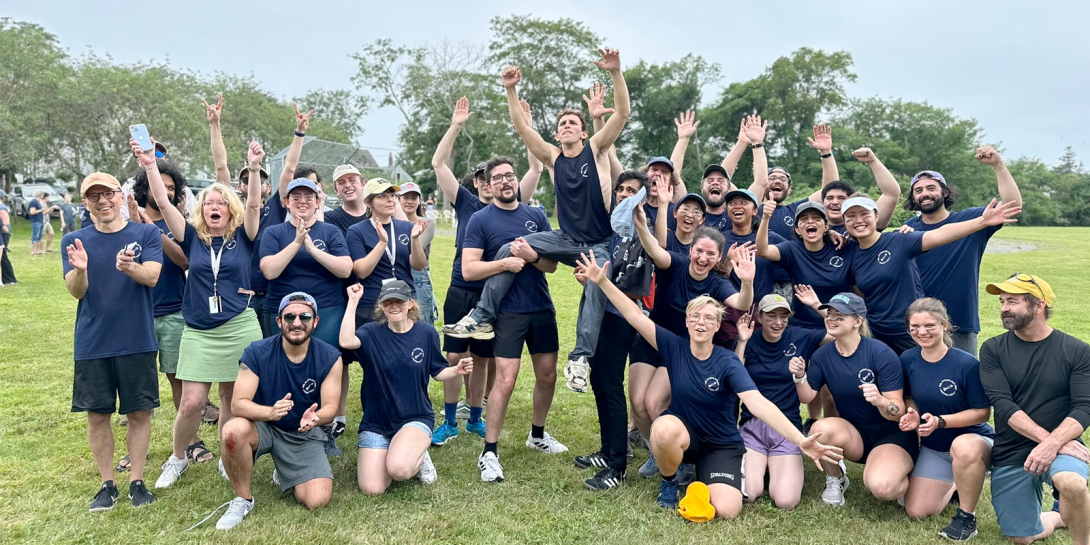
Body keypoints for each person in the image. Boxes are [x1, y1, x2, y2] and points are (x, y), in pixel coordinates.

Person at [580, 251, 841, 517]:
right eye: (695, 317)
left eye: (708, 318)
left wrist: (800, 439)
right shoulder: (672, 345)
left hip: (721, 445)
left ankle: (702, 481)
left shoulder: (727, 361)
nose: (700, 323)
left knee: (728, 510)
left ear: (717, 325)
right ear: (687, 321)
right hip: (687, 438)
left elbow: (757, 403)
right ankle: (669, 482)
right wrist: (603, 282)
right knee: (664, 427)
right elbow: (634, 316)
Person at [445, 48, 631, 394]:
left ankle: (580, 359)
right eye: (562, 124)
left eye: (573, 123)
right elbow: (520, 127)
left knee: (595, 282)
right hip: (564, 239)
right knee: (509, 247)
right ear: (557, 135)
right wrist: (510, 90)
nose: (566, 126)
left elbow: (622, 112)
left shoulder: (597, 148)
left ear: (582, 131)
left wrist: (616, 72)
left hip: (597, 243)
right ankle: (482, 315)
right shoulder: (552, 157)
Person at [139, 137, 265, 489]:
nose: (214, 206)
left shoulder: (245, 236)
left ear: (230, 210)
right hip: (198, 329)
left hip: (239, 325)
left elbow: (254, 204)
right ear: (200, 208)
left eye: (221, 202)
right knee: (192, 401)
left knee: (229, 397)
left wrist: (253, 168)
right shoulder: (192, 237)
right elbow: (163, 204)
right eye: (208, 201)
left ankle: (228, 458)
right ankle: (178, 457)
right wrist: (151, 164)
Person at [431, 96, 541, 443]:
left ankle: (475, 415)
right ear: (478, 181)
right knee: (453, 353)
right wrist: (456, 125)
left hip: (496, 291)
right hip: (462, 287)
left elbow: (536, 168)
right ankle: (449, 420)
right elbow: (439, 165)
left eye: (490, 177)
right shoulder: (464, 201)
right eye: (480, 177)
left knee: (482, 358)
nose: (484, 182)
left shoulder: (515, 201)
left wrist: (527, 127)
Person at [62, 172, 164, 511]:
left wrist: (129, 267)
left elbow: (151, 277)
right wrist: (81, 269)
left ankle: (137, 481)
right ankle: (108, 484)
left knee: (139, 413)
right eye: (94, 196)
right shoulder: (74, 240)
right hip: (93, 342)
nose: (103, 201)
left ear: (122, 196)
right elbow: (77, 291)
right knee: (97, 415)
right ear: (85, 203)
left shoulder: (146, 232)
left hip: (137, 339)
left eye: (109, 193)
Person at [461, 157, 566, 483]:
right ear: (489, 185)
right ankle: (489, 451)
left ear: (516, 180)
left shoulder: (535, 215)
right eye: (498, 178)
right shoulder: (480, 220)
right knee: (505, 381)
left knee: (547, 376)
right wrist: (504, 264)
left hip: (541, 307)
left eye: (510, 175)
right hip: (507, 313)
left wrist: (531, 256)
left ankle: (537, 435)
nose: (505, 181)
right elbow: (469, 269)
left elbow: (550, 265)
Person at [628, 211, 755, 479]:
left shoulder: (717, 283)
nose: (703, 258)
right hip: (652, 339)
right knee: (638, 403)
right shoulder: (674, 263)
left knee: (653, 403)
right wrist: (641, 226)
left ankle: (681, 458)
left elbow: (742, 304)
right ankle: (658, 450)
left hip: (678, 349)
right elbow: (655, 250)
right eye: (699, 251)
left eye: (711, 254)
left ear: (718, 258)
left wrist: (747, 282)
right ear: (691, 249)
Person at [214, 292, 344, 529]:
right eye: (289, 316)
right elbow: (238, 404)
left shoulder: (330, 356)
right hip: (264, 426)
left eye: (305, 316)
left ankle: (285, 472)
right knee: (233, 431)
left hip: (303, 433)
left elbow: (331, 408)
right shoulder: (256, 352)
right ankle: (243, 499)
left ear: (315, 322)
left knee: (317, 500)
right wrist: (270, 413)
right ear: (278, 321)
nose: (297, 322)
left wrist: (316, 418)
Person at [979, 274, 1090, 545]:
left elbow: (1084, 407)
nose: (1004, 307)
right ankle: (1059, 517)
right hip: (1013, 450)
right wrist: (1050, 443)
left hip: (1063, 443)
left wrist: (1053, 444)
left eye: (1012, 301)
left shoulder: (1077, 351)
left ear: (1039, 306)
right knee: (1021, 538)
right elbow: (1003, 405)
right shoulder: (993, 349)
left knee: (1072, 484)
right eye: (1002, 301)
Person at [843, 188, 1019, 354]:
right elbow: (861, 297)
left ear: (876, 216)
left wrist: (982, 221)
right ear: (844, 222)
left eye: (865, 214)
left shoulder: (899, 240)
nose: (858, 220)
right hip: (877, 337)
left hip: (913, 333)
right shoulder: (850, 254)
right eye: (851, 216)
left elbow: (938, 234)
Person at [340, 281, 474, 494]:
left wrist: (456, 370)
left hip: (415, 416)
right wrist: (353, 301)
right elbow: (346, 341)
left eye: (399, 301)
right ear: (381, 306)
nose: (394, 306)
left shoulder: (426, 333)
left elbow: (438, 372)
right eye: (388, 302)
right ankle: (397, 447)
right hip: (376, 421)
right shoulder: (371, 332)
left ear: (410, 303)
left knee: (399, 470)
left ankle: (417, 455)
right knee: (373, 488)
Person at [790, 292, 917, 507]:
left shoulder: (880, 353)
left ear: (858, 321)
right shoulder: (823, 355)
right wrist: (800, 376)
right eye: (829, 314)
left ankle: (908, 478)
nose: (831, 319)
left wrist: (880, 401)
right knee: (819, 430)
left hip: (890, 435)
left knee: (883, 488)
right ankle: (836, 478)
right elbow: (807, 397)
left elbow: (898, 413)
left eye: (840, 316)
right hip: (854, 434)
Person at [572, 170, 656, 490]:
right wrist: (589, 279)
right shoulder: (615, 229)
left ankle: (617, 465)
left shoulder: (639, 229)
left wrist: (601, 283)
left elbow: (633, 285)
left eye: (631, 190)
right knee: (599, 379)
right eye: (620, 189)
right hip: (603, 312)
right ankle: (608, 451)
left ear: (641, 196)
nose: (623, 194)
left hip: (626, 317)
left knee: (610, 382)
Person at [128, 161, 215, 468]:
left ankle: (191, 442)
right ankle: (135, 448)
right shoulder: (127, 221)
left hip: (174, 311)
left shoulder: (178, 222)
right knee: (138, 385)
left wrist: (154, 233)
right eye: (158, 186)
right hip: (137, 315)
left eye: (170, 188)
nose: (164, 191)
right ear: (144, 188)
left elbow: (185, 261)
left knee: (180, 382)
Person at [901, 146, 1023, 356]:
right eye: (918, 191)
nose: (925, 194)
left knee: (963, 378)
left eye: (931, 188)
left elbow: (1012, 204)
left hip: (961, 320)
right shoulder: (908, 228)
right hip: (919, 322)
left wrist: (997, 164)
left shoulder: (971, 221)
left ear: (944, 192)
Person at [896, 298, 994, 541]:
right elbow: (908, 397)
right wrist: (913, 413)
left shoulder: (967, 364)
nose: (922, 332)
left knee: (962, 448)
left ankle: (966, 517)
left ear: (945, 325)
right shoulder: (908, 359)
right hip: (935, 446)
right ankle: (957, 481)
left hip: (972, 441)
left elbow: (982, 412)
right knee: (917, 510)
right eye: (915, 327)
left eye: (930, 325)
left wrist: (941, 421)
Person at [756, 200, 853, 430]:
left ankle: (832, 434)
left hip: (833, 324)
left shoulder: (841, 247)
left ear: (826, 225)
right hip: (801, 326)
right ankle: (810, 420)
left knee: (830, 390)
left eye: (817, 219)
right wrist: (766, 218)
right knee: (804, 379)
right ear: (798, 229)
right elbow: (763, 249)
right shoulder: (792, 250)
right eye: (804, 220)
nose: (810, 223)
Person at [733, 293, 831, 509]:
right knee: (748, 493)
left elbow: (838, 333)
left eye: (783, 316)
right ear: (760, 317)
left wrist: (817, 304)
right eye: (771, 316)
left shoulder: (800, 336)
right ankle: (762, 468)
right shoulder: (749, 340)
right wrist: (742, 341)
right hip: (753, 427)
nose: (778, 323)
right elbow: (734, 374)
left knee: (786, 501)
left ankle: (775, 466)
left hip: (787, 428)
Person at [204, 94, 286, 339]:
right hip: (238, 294)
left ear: (268, 186)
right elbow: (221, 167)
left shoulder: (273, 208)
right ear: (239, 186)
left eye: (260, 179)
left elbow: (286, 173)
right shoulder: (231, 211)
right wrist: (214, 125)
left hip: (271, 293)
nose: (251, 182)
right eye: (247, 180)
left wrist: (298, 135)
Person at [259, 178, 352, 344]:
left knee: (327, 362)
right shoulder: (273, 232)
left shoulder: (330, 231)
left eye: (309, 197)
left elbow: (345, 269)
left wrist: (313, 250)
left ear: (317, 202)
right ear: (287, 202)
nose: (303, 201)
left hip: (326, 309)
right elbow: (269, 271)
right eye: (296, 197)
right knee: (282, 364)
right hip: (282, 310)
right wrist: (296, 243)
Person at [398, 182, 438, 324]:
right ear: (398, 200)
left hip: (418, 279)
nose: (410, 201)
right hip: (396, 276)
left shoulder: (427, 223)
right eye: (405, 197)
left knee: (422, 323)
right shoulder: (390, 223)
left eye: (414, 198)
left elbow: (413, 252)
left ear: (419, 200)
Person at [0, 191, 16, 285]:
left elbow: (6, 223)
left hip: (3, 233)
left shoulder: (1, 208)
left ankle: (10, 279)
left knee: (3, 256)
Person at [28, 189, 49, 255]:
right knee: (35, 236)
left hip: (40, 220)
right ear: (40, 194)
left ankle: (37, 250)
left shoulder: (38, 202)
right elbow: (32, 212)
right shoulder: (33, 202)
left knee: (39, 236)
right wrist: (41, 209)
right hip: (35, 221)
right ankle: (32, 251)